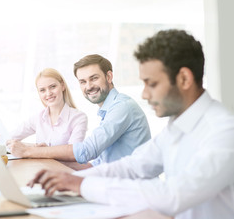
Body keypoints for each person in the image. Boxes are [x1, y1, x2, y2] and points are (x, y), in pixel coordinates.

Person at [28, 30, 234, 219]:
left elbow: (173, 195)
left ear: (184, 79)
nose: (144, 94)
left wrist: (81, 183)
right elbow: (134, 165)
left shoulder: (223, 132)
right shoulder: (177, 126)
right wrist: (68, 179)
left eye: (152, 84)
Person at [8, 55, 151, 167]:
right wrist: (45, 154)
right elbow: (95, 165)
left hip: (132, 189)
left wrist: (29, 151)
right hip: (114, 182)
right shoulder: (108, 110)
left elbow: (85, 151)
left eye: (93, 78)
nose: (88, 86)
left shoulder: (122, 107)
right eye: (83, 82)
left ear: (109, 77)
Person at [6, 68, 88, 147]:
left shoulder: (78, 118)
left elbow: (73, 152)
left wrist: (37, 149)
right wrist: (34, 147)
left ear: (62, 86)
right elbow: (9, 139)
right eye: (42, 90)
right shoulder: (38, 118)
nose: (48, 93)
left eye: (52, 87)